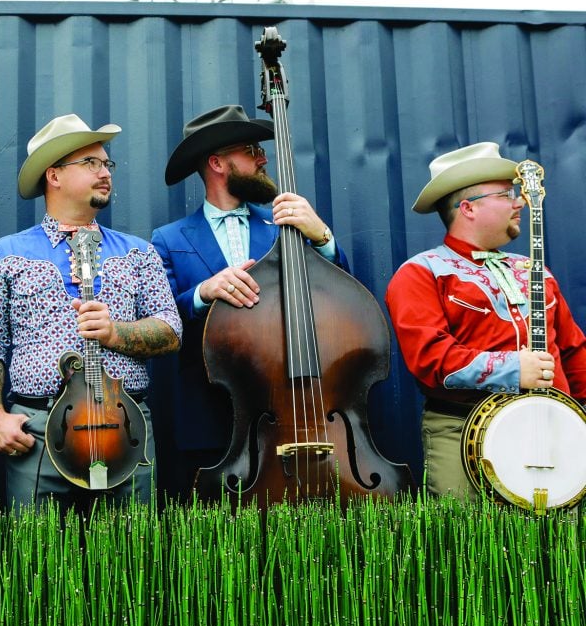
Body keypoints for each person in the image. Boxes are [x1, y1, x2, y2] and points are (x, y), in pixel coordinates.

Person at [0, 114, 182, 511]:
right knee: (38, 546)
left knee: (133, 545)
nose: (106, 173)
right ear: (54, 175)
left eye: (107, 163)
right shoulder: (4, 255)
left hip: (125, 425)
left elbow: (171, 331)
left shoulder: (139, 253)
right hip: (37, 429)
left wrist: (115, 333)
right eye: (91, 163)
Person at [150, 104, 348, 499]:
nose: (263, 159)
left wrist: (322, 235)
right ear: (217, 163)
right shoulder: (168, 239)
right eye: (251, 151)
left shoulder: (286, 226)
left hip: (294, 410)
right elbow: (162, 319)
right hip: (209, 412)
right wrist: (203, 292)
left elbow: (342, 294)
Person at [385, 142, 586, 498]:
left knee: (565, 531)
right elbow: (431, 359)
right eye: (507, 194)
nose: (520, 202)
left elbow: (573, 353)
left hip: (554, 431)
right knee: (469, 530)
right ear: (468, 207)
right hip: (463, 429)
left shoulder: (536, 272)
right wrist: (514, 368)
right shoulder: (421, 273)